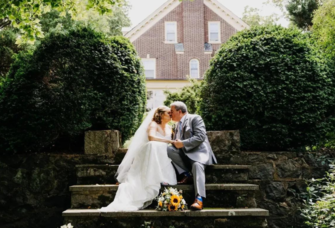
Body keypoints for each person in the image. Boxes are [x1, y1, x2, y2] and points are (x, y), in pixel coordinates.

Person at [99, 106, 177, 212]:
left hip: (164, 153)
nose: (171, 115)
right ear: (161, 114)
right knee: (152, 145)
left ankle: (163, 176)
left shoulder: (169, 127)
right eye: (168, 113)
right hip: (152, 151)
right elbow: (151, 138)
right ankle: (151, 177)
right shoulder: (153, 124)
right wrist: (169, 142)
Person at [168, 101, 217, 210]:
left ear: (179, 111)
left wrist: (183, 143)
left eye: (171, 111)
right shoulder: (176, 125)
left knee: (197, 165)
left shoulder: (195, 118)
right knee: (169, 149)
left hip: (199, 153)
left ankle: (199, 199)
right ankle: (187, 174)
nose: (170, 113)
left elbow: (200, 137)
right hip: (184, 155)